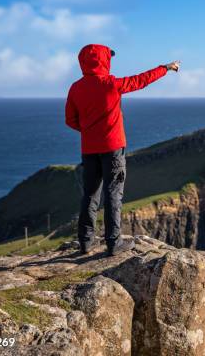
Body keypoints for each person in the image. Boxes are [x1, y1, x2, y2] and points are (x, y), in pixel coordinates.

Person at [65, 44, 179, 256]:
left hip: (89, 149)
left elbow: (70, 120)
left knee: (90, 195)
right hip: (113, 148)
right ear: (104, 61)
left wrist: (90, 130)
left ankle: (85, 242)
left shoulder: (75, 88)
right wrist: (165, 67)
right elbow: (141, 80)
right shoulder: (111, 84)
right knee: (113, 194)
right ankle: (113, 242)